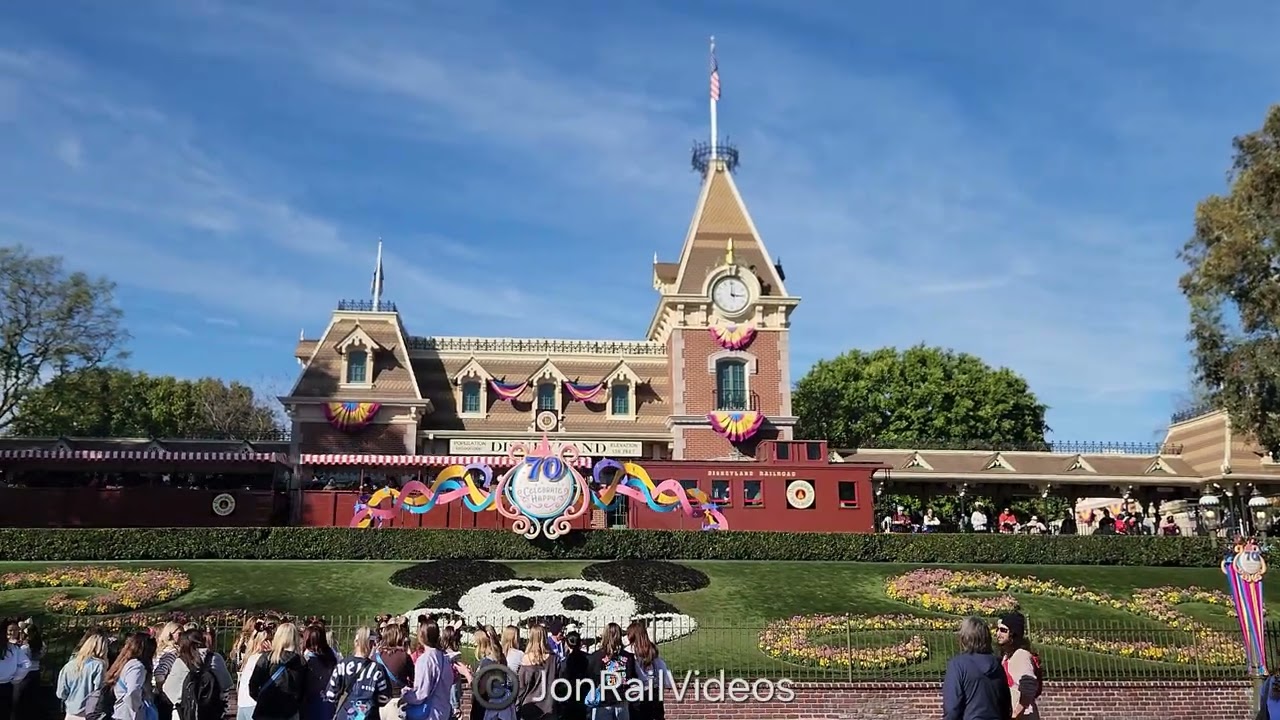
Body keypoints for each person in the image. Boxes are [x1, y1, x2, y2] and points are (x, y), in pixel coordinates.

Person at [941, 617, 1011, 720]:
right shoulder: (997, 664)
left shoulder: (958, 665)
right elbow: (1006, 705)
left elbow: (952, 708)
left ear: (964, 638)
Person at [249, 623, 308, 720]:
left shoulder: (266, 658)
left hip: (266, 711)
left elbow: (253, 685)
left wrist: (262, 700)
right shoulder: (301, 662)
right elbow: (303, 691)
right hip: (289, 712)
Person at [996, 613, 1042, 719]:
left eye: (1003, 630)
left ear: (1013, 633)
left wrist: (1016, 713)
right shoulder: (1007, 656)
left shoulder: (1021, 655)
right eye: (997, 629)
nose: (998, 634)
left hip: (1024, 715)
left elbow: (1029, 686)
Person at [57, 629, 109, 720]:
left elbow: (61, 693)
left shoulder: (69, 665)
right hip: (88, 712)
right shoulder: (99, 665)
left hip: (71, 711)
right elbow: (99, 690)